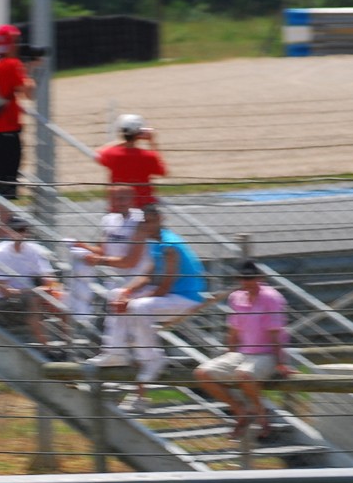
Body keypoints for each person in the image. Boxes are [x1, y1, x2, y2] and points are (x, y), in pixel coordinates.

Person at [85, 205, 207, 412]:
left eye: (149, 222)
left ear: (160, 219)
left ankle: (153, 358)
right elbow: (148, 275)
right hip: (167, 295)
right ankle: (115, 351)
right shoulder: (154, 242)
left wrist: (131, 301)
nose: (145, 227)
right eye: (143, 223)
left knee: (138, 307)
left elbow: (165, 286)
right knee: (117, 294)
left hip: (185, 297)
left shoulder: (170, 245)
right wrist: (126, 293)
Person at [193, 262, 289, 439]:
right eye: (243, 278)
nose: (246, 282)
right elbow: (234, 330)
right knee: (202, 373)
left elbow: (275, 333)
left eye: (250, 278)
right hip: (244, 353)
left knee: (243, 374)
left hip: (266, 353)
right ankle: (241, 411)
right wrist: (229, 353)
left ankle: (262, 415)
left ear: (259, 278)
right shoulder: (236, 297)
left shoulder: (271, 298)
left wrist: (281, 362)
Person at [61, 185, 152, 329]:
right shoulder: (109, 220)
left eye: (123, 198)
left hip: (136, 282)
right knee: (114, 327)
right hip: (115, 281)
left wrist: (99, 260)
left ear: (133, 199)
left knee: (125, 327)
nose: (119, 202)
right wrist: (82, 246)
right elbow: (103, 251)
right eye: (115, 198)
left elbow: (130, 262)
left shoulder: (141, 222)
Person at [0, 214, 64, 357]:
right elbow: (4, 291)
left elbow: (50, 280)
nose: (21, 233)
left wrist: (51, 290)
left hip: (23, 299)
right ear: (8, 231)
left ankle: (68, 345)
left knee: (63, 297)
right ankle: (46, 348)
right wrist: (34, 292)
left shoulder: (33, 250)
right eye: (17, 230)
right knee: (34, 298)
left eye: (23, 229)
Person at [0, 24, 35, 201]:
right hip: (9, 129)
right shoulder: (12, 64)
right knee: (9, 179)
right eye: (16, 40)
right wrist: (31, 70)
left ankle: (2, 220)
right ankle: (6, 221)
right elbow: (29, 92)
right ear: (10, 43)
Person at [92, 114, 167, 209]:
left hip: (119, 205)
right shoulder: (148, 156)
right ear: (139, 133)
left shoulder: (112, 154)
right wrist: (152, 142)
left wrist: (122, 141)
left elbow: (97, 154)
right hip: (143, 205)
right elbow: (163, 171)